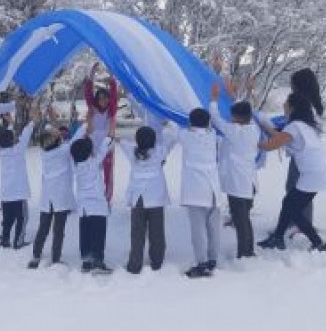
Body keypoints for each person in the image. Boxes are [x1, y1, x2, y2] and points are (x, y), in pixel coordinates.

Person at [257, 93, 326, 251]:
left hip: (312, 174)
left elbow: (273, 144)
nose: (284, 105)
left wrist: (249, 142)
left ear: (293, 107)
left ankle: (318, 243)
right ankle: (278, 238)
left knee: (293, 208)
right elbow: (281, 137)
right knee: (289, 204)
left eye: (286, 103)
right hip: (318, 171)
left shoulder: (295, 126)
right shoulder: (304, 125)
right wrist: (266, 126)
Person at [209, 84, 260, 259]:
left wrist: (214, 100)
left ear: (237, 118)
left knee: (240, 220)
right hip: (249, 181)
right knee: (245, 218)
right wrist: (235, 97)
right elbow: (245, 112)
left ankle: (245, 253)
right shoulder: (253, 129)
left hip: (237, 184)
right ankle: (248, 250)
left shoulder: (234, 131)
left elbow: (215, 118)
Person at [28, 123, 87, 269]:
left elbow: (48, 130)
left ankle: (36, 256)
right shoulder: (65, 150)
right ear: (56, 140)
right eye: (57, 134)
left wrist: (53, 128)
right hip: (60, 198)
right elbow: (78, 135)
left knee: (43, 228)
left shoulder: (44, 152)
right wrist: (87, 121)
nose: (59, 134)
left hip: (47, 198)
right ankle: (55, 258)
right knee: (58, 230)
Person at [119, 126, 176, 274]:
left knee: (137, 233)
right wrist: (165, 123)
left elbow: (120, 141)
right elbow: (172, 136)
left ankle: (134, 264)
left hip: (138, 199)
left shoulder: (132, 152)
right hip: (156, 198)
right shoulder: (160, 152)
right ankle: (157, 262)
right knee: (157, 232)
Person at [177, 108, 221, 278]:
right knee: (213, 228)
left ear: (190, 122)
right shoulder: (213, 136)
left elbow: (172, 125)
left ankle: (201, 263)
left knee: (198, 231)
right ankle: (213, 260)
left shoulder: (186, 136)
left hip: (195, 191)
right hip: (213, 190)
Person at [285, 68, 325, 228]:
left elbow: (295, 125)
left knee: (299, 189)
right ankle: (295, 222)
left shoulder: (305, 105)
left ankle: (302, 224)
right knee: (296, 187)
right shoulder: (312, 103)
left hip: (304, 153)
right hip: (305, 152)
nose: (291, 87)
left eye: (293, 84)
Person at [70, 135, 114, 275]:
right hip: (98, 208)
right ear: (89, 153)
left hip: (84, 208)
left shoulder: (76, 166)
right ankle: (98, 260)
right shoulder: (94, 163)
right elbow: (103, 150)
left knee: (86, 234)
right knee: (98, 235)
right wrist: (108, 138)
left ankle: (87, 261)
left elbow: (74, 148)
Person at [0, 110, 38, 249]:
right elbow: (25, 134)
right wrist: (32, 121)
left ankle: (5, 240)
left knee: (7, 219)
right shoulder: (18, 151)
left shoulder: (2, 153)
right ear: (12, 141)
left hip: (6, 194)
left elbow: (8, 137)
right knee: (22, 218)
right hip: (19, 194)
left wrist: (10, 123)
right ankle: (18, 241)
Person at [85, 63, 118, 202]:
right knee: (91, 170)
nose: (103, 101)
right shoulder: (92, 108)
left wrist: (111, 73)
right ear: (96, 99)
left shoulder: (111, 110)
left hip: (106, 144)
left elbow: (114, 92)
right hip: (92, 143)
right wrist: (92, 73)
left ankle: (107, 197)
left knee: (107, 171)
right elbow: (88, 91)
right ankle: (92, 193)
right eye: (100, 98)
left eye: (106, 98)